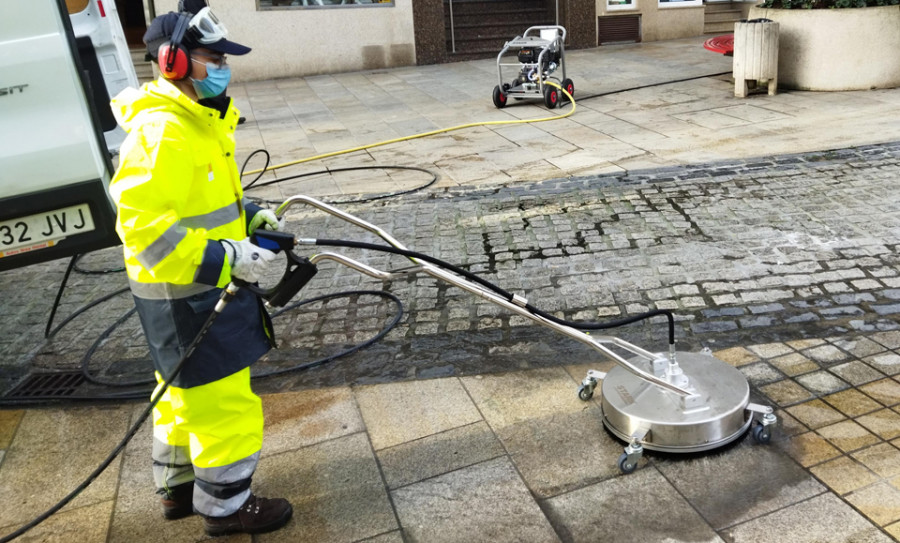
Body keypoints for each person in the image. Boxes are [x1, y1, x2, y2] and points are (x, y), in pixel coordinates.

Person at [108, 7, 292, 537]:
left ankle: (179, 488)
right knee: (223, 402)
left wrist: (250, 214)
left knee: (178, 391)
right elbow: (141, 225)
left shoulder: (196, 120)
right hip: (191, 293)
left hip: (186, 291)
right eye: (213, 59)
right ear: (174, 62)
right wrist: (225, 259)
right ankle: (228, 506)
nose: (223, 68)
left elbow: (199, 201)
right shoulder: (165, 132)